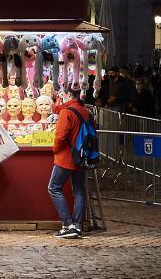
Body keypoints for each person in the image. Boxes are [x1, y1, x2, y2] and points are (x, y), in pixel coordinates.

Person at [49, 85, 91, 239]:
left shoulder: (66, 112)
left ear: (68, 94)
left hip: (66, 157)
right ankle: (78, 225)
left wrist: (55, 149)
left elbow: (60, 136)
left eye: (63, 93)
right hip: (81, 157)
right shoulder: (85, 111)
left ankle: (68, 224)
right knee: (79, 191)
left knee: (54, 188)